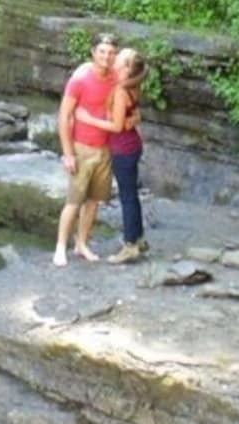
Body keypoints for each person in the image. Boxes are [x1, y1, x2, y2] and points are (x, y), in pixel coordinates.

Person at [73, 48, 148, 264]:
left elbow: (116, 126)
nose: (114, 59)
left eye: (120, 58)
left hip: (123, 150)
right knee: (131, 194)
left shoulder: (121, 91)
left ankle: (130, 245)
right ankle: (139, 239)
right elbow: (135, 114)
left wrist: (87, 118)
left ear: (127, 69)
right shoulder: (132, 86)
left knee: (127, 197)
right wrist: (131, 120)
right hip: (132, 145)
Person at [54, 33, 121, 267]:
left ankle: (81, 244)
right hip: (82, 147)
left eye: (111, 53)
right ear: (93, 52)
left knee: (93, 201)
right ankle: (60, 246)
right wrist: (68, 153)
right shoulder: (80, 80)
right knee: (74, 200)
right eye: (102, 51)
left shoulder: (115, 78)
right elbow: (64, 116)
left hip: (105, 148)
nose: (106, 56)